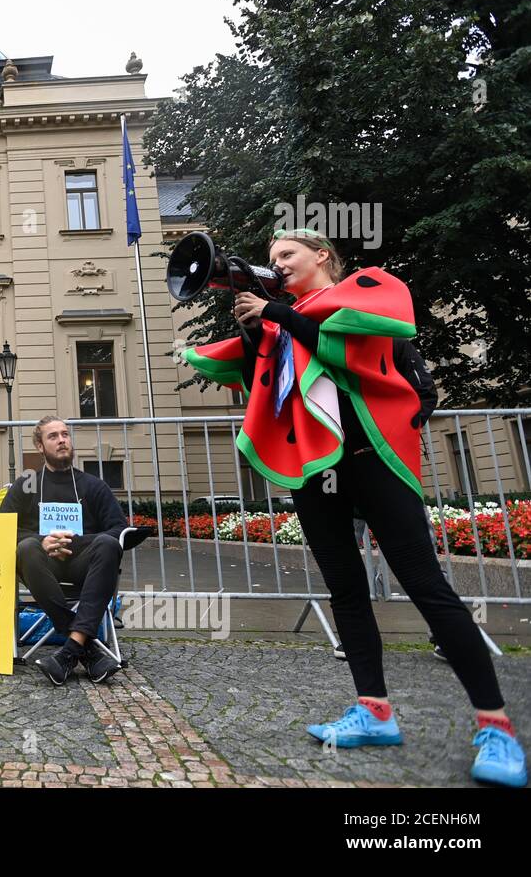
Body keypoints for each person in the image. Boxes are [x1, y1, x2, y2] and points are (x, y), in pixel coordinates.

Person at [184, 228, 526, 788]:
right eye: (272, 260)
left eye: (286, 255)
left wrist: (275, 311)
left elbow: (339, 343)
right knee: (345, 589)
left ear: (322, 256)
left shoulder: (363, 293)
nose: (278, 264)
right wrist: (253, 334)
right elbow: (266, 386)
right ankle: (374, 711)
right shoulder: (282, 319)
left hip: (371, 457)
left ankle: (496, 727)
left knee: (425, 585)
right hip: (317, 468)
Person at [0, 415, 148, 686]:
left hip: (84, 567)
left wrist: (78, 542)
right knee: (28, 547)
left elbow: (119, 529)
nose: (62, 440)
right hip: (42, 568)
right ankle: (86, 648)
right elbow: (1, 528)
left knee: (107, 543)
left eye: (65, 434)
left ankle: (70, 651)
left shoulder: (93, 486)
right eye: (53, 436)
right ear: (40, 446)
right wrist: (42, 540)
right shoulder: (26, 484)